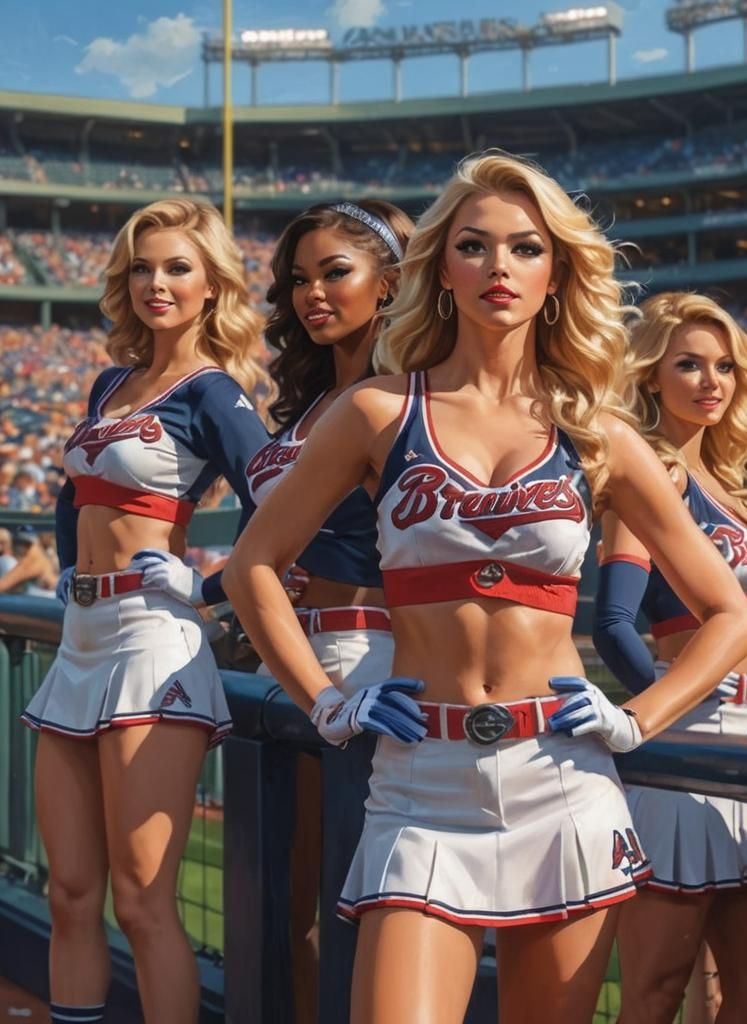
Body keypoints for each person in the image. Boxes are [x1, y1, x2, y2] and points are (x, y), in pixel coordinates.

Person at [223, 152, 747, 1024]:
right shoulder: (379, 412)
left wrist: (638, 718)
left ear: (557, 273)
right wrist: (326, 703)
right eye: (473, 246)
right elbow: (252, 566)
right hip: (419, 782)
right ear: (441, 271)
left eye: (523, 247)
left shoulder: (599, 435)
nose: (498, 267)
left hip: (562, 776)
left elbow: (728, 612)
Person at [21, 198, 268, 1024]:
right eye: (141, 266)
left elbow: (283, 511)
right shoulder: (109, 382)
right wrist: (66, 567)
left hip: (151, 645)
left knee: (140, 899)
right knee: (69, 891)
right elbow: (70, 492)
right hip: (80, 640)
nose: (155, 283)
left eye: (176, 268)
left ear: (211, 287)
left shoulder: (216, 394)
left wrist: (207, 587)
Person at [592, 292, 747, 1024]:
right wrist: (658, 710)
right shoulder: (653, 479)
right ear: (652, 375)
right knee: (656, 990)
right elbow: (616, 622)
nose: (710, 381)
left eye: (722, 366)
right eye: (688, 364)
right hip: (688, 749)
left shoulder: (735, 490)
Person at [217, 198, 413, 1022]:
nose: (312, 293)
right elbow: (268, 552)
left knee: (347, 906)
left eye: (337, 272)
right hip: (287, 665)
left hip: (360, 660)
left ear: (391, 282)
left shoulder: (400, 400)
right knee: (281, 908)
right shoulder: (306, 408)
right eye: (299, 278)